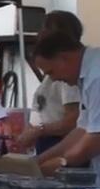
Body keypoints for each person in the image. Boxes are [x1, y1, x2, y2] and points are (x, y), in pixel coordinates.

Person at [33, 31, 100, 180]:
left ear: (64, 57)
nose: (54, 79)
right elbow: (82, 129)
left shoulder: (96, 76)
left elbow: (96, 137)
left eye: (51, 72)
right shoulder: (87, 76)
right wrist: (39, 161)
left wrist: (63, 162)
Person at [17, 11, 83, 153]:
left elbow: (73, 120)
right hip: (47, 141)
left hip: (60, 142)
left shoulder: (67, 76)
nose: (40, 34)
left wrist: (39, 130)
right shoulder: (55, 71)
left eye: (46, 29)